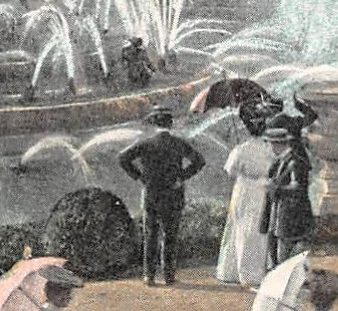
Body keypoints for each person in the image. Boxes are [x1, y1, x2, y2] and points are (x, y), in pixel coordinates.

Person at [118, 107, 206, 286]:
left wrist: (139, 177)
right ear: (170, 124)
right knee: (171, 235)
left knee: (151, 234)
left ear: (154, 124)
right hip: (173, 194)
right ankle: (169, 275)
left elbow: (122, 158)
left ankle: (149, 275)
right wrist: (182, 176)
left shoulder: (146, 143)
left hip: (151, 194)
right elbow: (199, 161)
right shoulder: (179, 143)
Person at [217, 106, 275, 287]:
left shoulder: (240, 150)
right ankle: (257, 270)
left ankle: (235, 270)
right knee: (259, 228)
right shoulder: (270, 149)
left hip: (244, 190)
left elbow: (230, 170)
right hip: (262, 189)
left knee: (240, 227)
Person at [261, 123, 315, 269]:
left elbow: (298, 188)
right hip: (279, 212)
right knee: (276, 252)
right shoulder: (280, 161)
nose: (270, 148)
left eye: (270, 144)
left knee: (287, 256)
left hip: (292, 215)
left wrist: (277, 189)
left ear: (277, 144)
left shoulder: (296, 162)